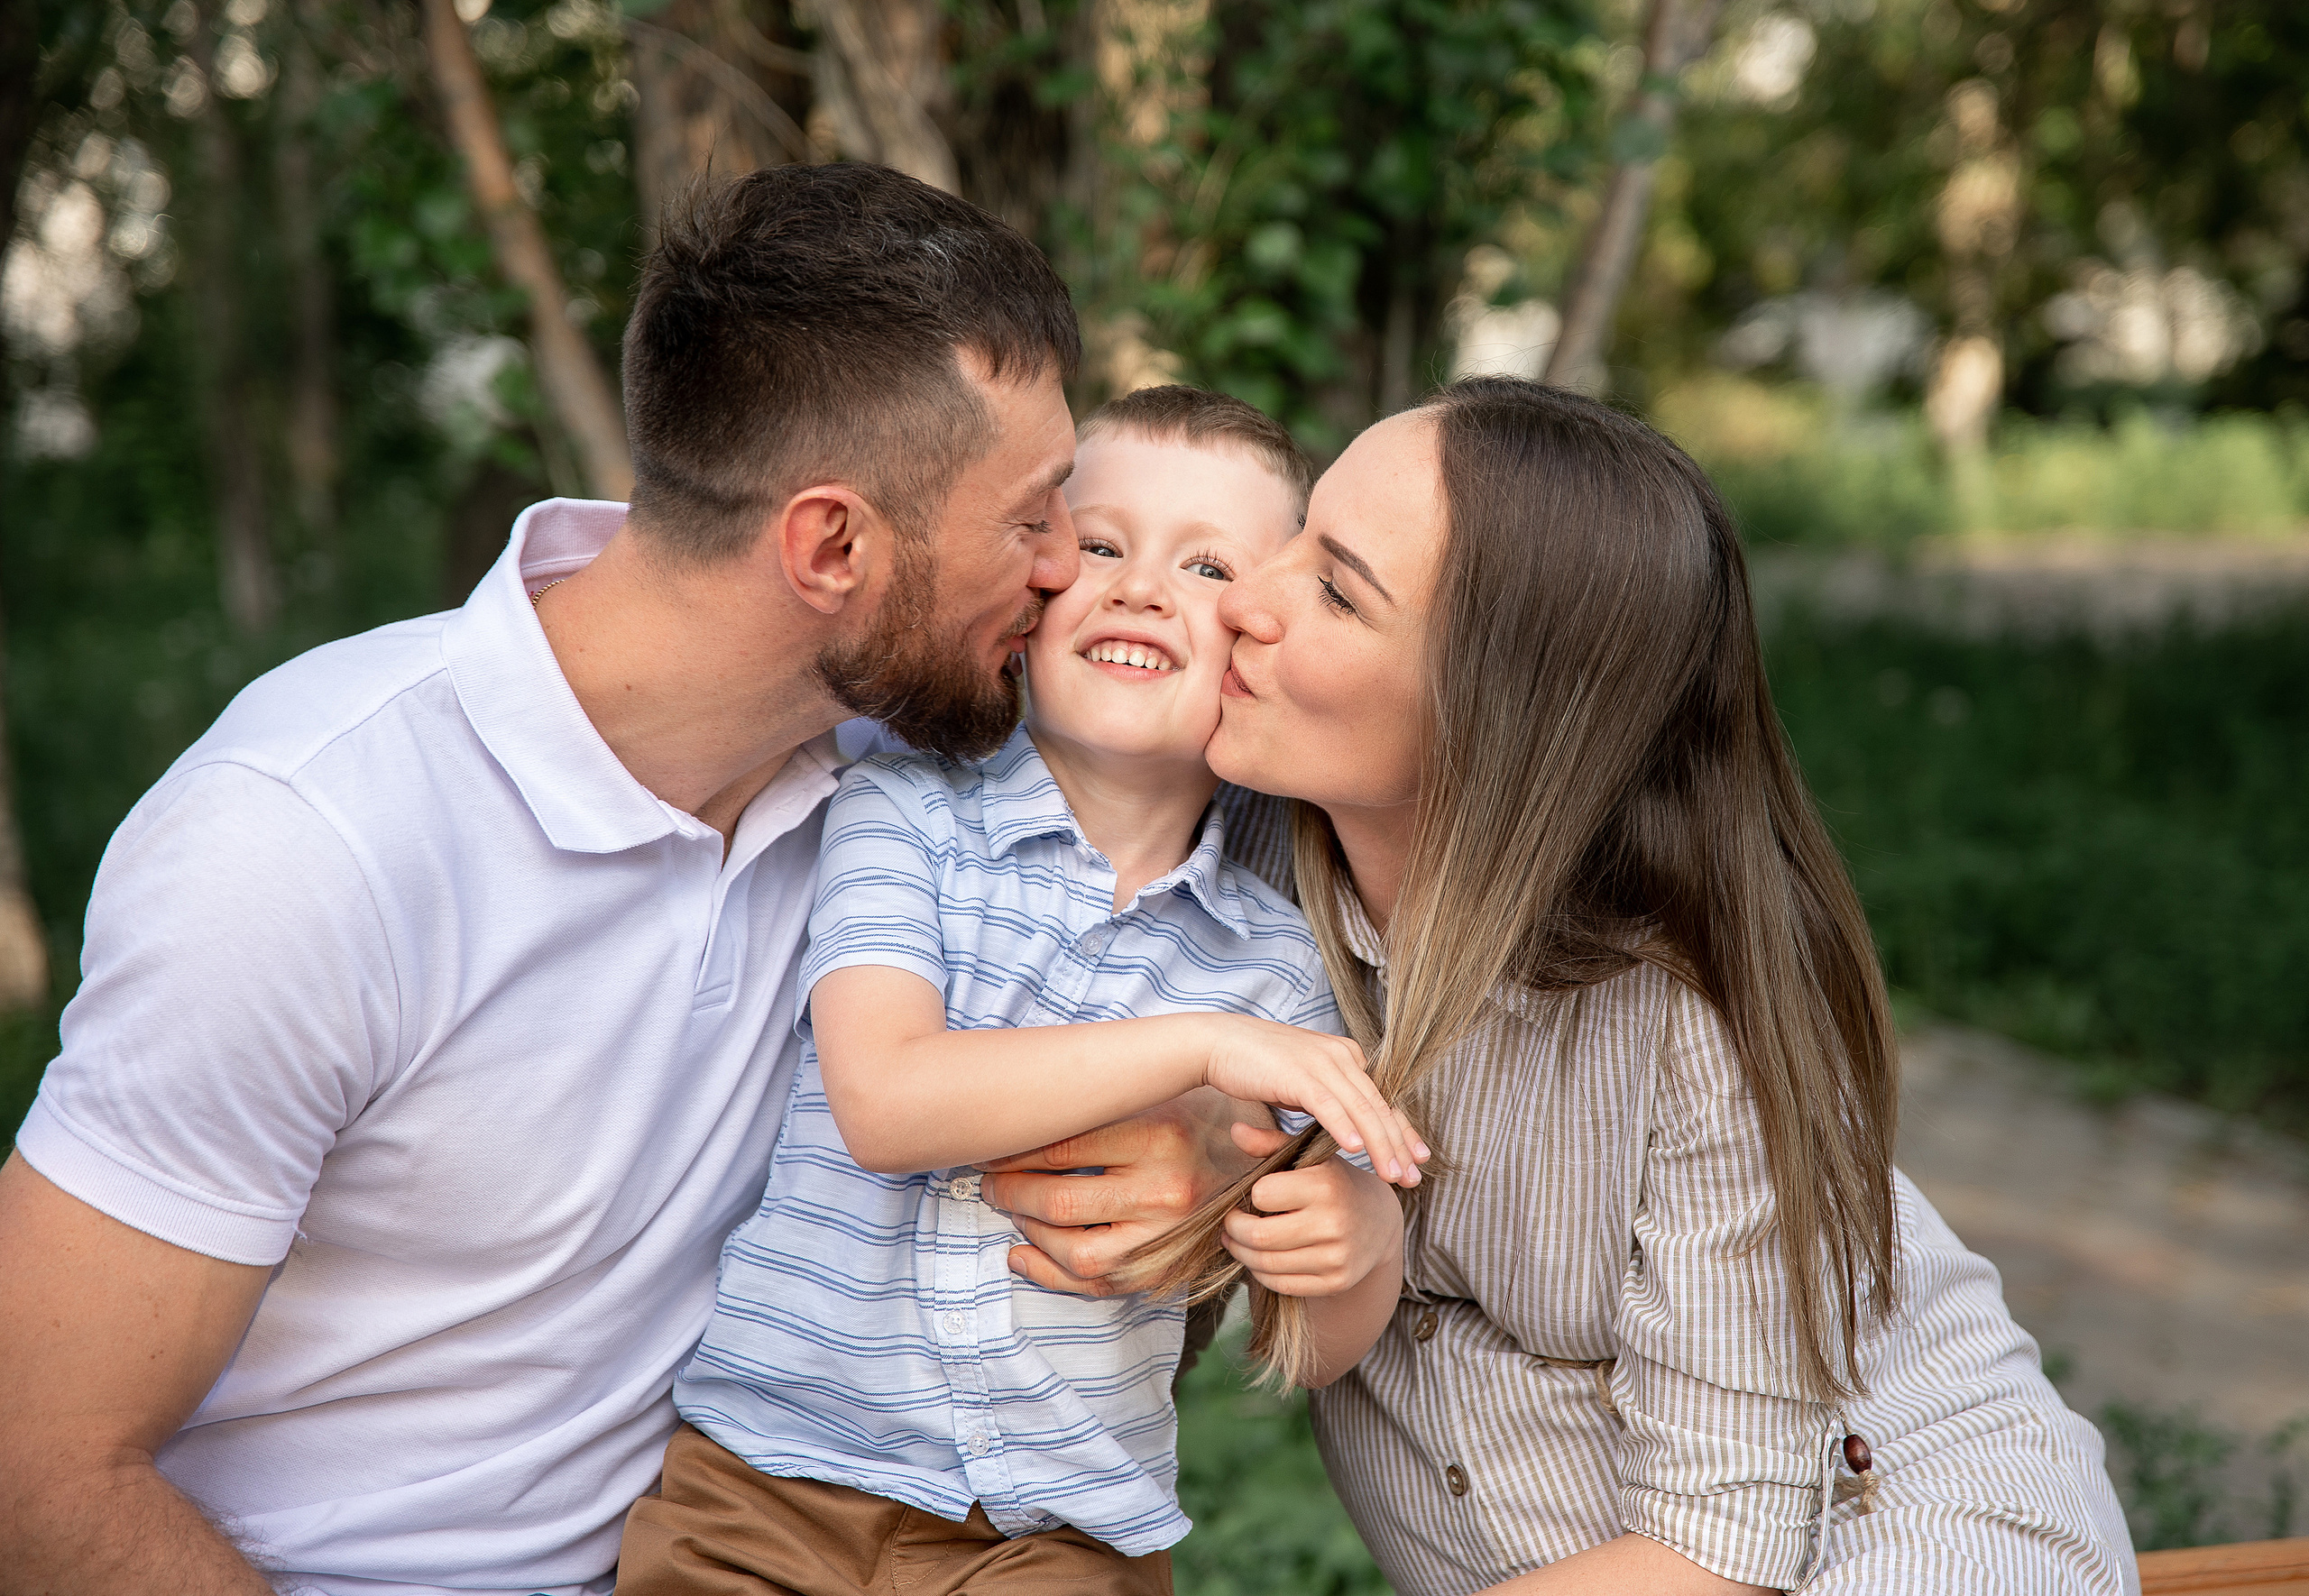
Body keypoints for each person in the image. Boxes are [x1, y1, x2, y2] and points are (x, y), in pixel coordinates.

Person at [0, 168, 1252, 1596]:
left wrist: (1211, 1143)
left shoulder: (907, 782)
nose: (1060, 577)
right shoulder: (304, 844)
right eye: (1037, 521)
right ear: (832, 544)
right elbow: (38, 1464)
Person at [1174, 377, 2139, 1594]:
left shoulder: (1683, 1016)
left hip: (1905, 1537)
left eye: (1334, 588)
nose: (1243, 598)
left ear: (1494, 714)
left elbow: (1712, 1548)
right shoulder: (1233, 870)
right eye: (1300, 533)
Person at [619, 386, 1421, 1596]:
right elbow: (887, 1100)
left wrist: (1359, 1253)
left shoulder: (1285, 961)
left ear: (1262, 643)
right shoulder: (908, 812)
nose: (1141, 586)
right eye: (1099, 543)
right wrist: (1200, 1045)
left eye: (1208, 567)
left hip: (1057, 1538)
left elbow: (1302, 1343)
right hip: (770, 1489)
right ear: (1036, 591)